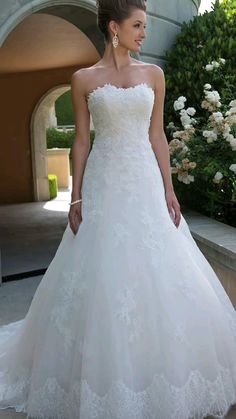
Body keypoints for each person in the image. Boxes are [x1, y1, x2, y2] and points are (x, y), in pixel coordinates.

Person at [0, 0, 236, 418]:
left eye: (145, 25)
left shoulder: (154, 75)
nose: (144, 33)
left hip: (145, 182)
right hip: (105, 185)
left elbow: (158, 137)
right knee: (101, 269)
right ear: (114, 27)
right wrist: (75, 195)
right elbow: (81, 142)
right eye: (138, 25)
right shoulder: (83, 79)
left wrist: (169, 189)